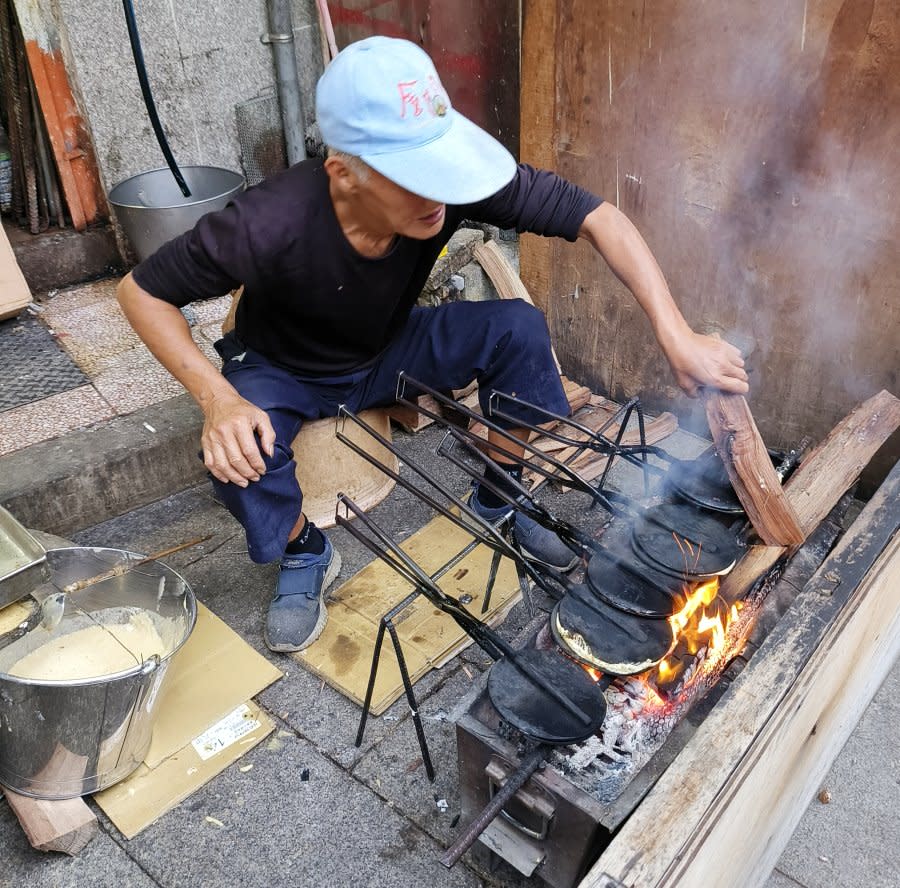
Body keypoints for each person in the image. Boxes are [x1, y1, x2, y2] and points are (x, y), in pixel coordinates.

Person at [117, 36, 748, 653]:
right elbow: (140, 293)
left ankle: (500, 498)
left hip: (388, 346)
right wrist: (216, 399)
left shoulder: (447, 188)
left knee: (517, 330)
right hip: (280, 368)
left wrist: (677, 332)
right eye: (412, 178)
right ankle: (305, 549)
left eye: (439, 168)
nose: (438, 195)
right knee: (235, 454)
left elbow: (597, 216)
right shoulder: (270, 220)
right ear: (345, 173)